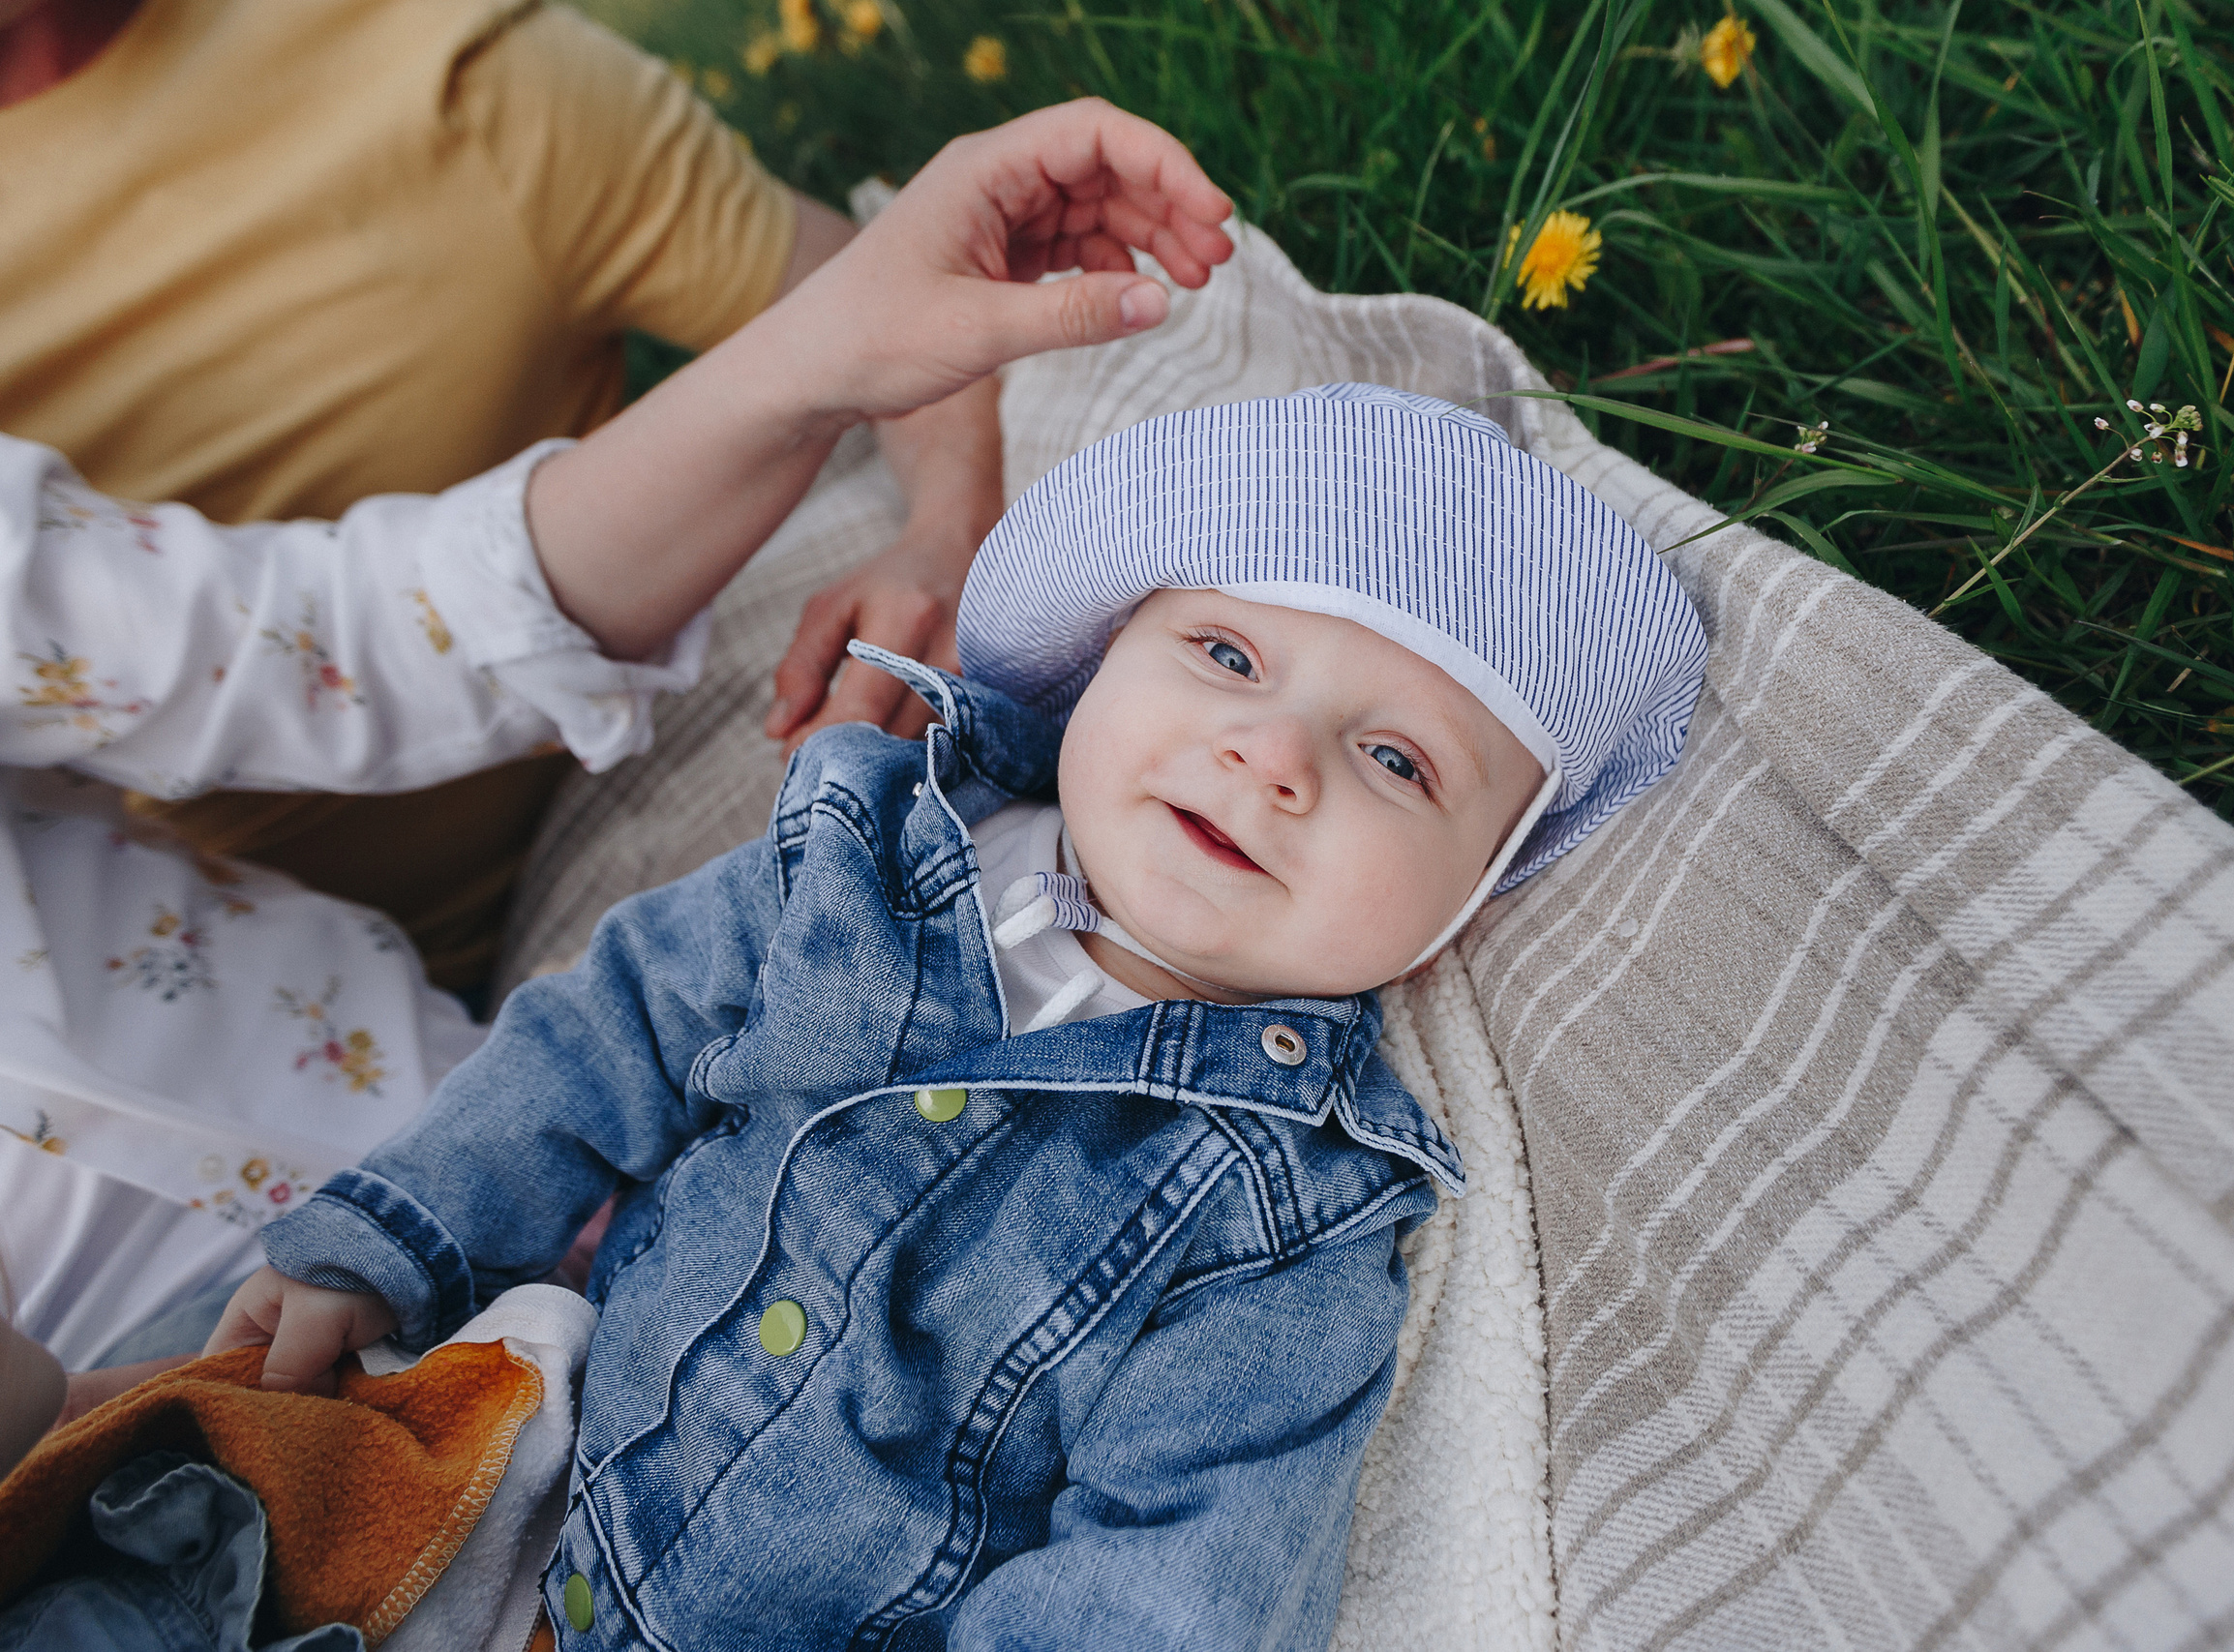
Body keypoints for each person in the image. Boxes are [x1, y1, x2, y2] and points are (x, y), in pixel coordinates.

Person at [211, 384, 1708, 1642]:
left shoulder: (1288, 1223)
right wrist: (396, 1228)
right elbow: (612, 1027)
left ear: (1474, 901)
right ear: (1103, 653)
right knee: (162, 1512)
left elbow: (1172, 1578)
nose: (1271, 756)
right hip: (490, 1459)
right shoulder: (863, 857)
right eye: (1230, 656)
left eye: (1397, 760)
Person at [0, 97, 1235, 1432]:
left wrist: (823, 352)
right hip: (178, 1483)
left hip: (508, 1122)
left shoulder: (467, 82)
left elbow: (362, 631)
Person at [0, 0, 1006, 993]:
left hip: (635, 819)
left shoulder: (444, 65)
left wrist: (945, 533)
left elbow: (877, 308)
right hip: (213, 1015)